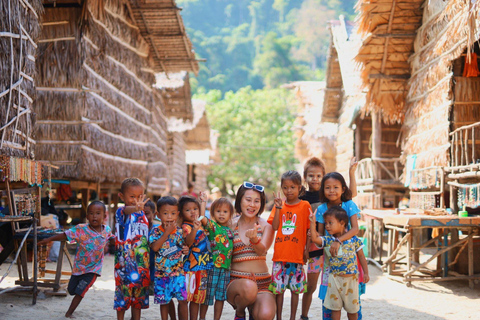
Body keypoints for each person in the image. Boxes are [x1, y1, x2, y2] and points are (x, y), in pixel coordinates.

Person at [299, 157, 358, 320]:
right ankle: (304, 315)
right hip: (317, 246)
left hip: (338, 250)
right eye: (311, 176)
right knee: (311, 286)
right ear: (305, 177)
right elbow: (314, 231)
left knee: (332, 283)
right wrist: (306, 247)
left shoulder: (342, 201)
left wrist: (351, 173)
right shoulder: (304, 197)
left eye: (319, 176)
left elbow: (350, 195)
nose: (315, 179)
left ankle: (332, 314)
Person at [38, 201, 113, 318]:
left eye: (98, 213)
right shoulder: (81, 229)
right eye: (91, 213)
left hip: (93, 270)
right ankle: (73, 300)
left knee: (80, 292)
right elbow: (64, 235)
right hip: (79, 268)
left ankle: (69, 313)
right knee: (72, 290)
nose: (94, 216)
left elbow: (113, 240)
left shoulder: (106, 230)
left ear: (104, 216)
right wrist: (49, 239)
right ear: (87, 216)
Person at [315, 172, 362, 320]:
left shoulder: (349, 205)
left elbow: (355, 229)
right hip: (330, 258)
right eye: (327, 187)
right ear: (323, 190)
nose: (332, 190)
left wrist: (339, 240)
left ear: (343, 189)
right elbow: (321, 234)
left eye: (336, 187)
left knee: (352, 297)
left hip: (348, 257)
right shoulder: (322, 209)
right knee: (330, 295)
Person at [226, 182, 276, 320]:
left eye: (256, 201)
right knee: (249, 288)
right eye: (248, 200)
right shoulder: (230, 225)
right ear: (240, 200)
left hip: (262, 282)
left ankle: (254, 312)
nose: (252, 205)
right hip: (237, 283)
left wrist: (254, 240)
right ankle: (240, 312)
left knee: (265, 314)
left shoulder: (266, 226)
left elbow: (262, 251)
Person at [309, 206, 369, 320]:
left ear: (342, 223)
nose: (327, 226)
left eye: (330, 223)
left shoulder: (354, 239)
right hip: (334, 281)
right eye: (326, 223)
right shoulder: (328, 240)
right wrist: (312, 224)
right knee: (335, 311)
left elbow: (361, 256)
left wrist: (366, 273)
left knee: (353, 312)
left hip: (351, 281)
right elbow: (315, 239)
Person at [268, 171, 311, 320]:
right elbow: (274, 227)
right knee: (278, 292)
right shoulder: (278, 206)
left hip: (297, 256)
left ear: (299, 188)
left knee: (295, 291)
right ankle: (279, 317)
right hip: (280, 256)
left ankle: (292, 317)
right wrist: (279, 208)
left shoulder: (305, 206)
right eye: (285, 187)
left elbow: (308, 230)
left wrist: (307, 250)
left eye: (292, 187)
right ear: (281, 188)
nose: (289, 191)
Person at [114, 178, 150, 320]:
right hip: (124, 265)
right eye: (132, 197)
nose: (136, 200)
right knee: (123, 295)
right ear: (121, 196)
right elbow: (127, 210)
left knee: (138, 298)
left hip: (142, 265)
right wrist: (136, 208)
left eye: (140, 196)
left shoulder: (142, 214)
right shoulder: (121, 212)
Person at [149, 196, 188, 320]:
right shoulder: (155, 231)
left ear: (177, 214)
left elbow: (183, 247)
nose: (169, 217)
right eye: (165, 213)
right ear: (158, 215)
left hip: (178, 274)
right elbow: (154, 247)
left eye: (172, 213)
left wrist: (186, 250)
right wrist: (166, 232)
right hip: (161, 275)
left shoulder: (180, 232)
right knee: (164, 301)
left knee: (183, 300)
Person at [198, 196, 235, 320]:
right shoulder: (213, 227)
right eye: (218, 211)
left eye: (225, 212)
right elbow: (202, 218)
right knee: (207, 296)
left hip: (226, 269)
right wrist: (203, 202)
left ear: (230, 214)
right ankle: (202, 317)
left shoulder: (230, 231)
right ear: (213, 213)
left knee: (220, 297)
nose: (221, 214)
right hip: (213, 267)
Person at [179, 196, 213, 320]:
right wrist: (194, 229)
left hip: (202, 268)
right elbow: (188, 242)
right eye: (188, 210)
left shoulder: (200, 223)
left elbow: (202, 215)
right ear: (182, 213)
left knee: (197, 299)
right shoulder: (185, 227)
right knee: (186, 298)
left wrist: (203, 201)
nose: (193, 212)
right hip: (190, 268)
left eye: (195, 209)